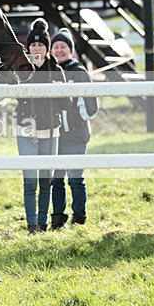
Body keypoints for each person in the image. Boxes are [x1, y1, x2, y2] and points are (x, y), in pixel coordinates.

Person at [15, 18, 71, 233]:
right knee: (29, 182)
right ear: (28, 48)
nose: (37, 48)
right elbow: (16, 94)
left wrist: (56, 87)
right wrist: (33, 73)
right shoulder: (22, 68)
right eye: (33, 45)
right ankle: (32, 224)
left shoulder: (56, 69)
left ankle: (43, 221)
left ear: (47, 47)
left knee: (45, 181)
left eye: (40, 44)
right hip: (26, 130)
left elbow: (67, 103)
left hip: (51, 131)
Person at [49, 28, 98, 228]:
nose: (59, 50)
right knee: (56, 180)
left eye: (63, 47)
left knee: (76, 179)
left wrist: (70, 121)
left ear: (71, 50)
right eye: (56, 47)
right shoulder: (48, 72)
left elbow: (91, 106)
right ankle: (58, 218)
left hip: (76, 135)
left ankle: (79, 218)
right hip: (54, 135)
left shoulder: (79, 73)